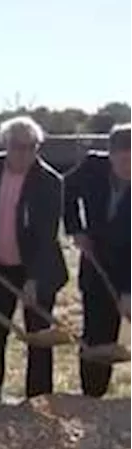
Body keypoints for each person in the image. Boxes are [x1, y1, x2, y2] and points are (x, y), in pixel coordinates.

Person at [0, 115, 67, 407]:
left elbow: (47, 236)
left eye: (31, 147)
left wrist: (34, 280)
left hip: (37, 268)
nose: (24, 153)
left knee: (39, 337)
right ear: (5, 145)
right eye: (17, 146)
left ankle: (38, 400)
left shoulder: (49, 181)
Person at [63, 121, 132, 398]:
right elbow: (65, 191)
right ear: (110, 155)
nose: (129, 168)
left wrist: (128, 291)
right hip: (96, 264)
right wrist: (76, 229)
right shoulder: (91, 167)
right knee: (96, 334)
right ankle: (92, 397)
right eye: (125, 160)